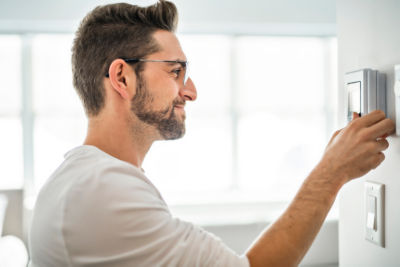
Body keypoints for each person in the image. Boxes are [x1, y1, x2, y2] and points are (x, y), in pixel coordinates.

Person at [28, 1, 395, 266]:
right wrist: (331, 174)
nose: (191, 91)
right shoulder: (101, 190)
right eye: (175, 71)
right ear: (122, 77)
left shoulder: (83, 179)